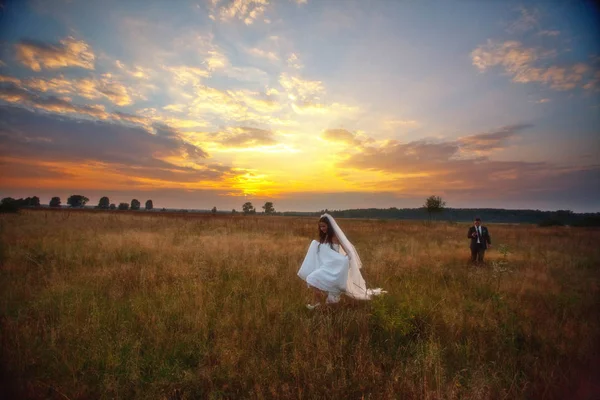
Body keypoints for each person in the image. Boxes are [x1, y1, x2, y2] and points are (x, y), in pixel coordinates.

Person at [297, 213, 384, 309]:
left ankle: (322, 305)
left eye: (324, 226)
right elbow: (324, 253)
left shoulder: (335, 237)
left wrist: (346, 261)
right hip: (326, 267)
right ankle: (319, 303)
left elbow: (348, 251)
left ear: (329, 226)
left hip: (334, 268)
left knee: (315, 281)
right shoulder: (324, 237)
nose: (322, 228)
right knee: (312, 279)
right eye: (320, 226)